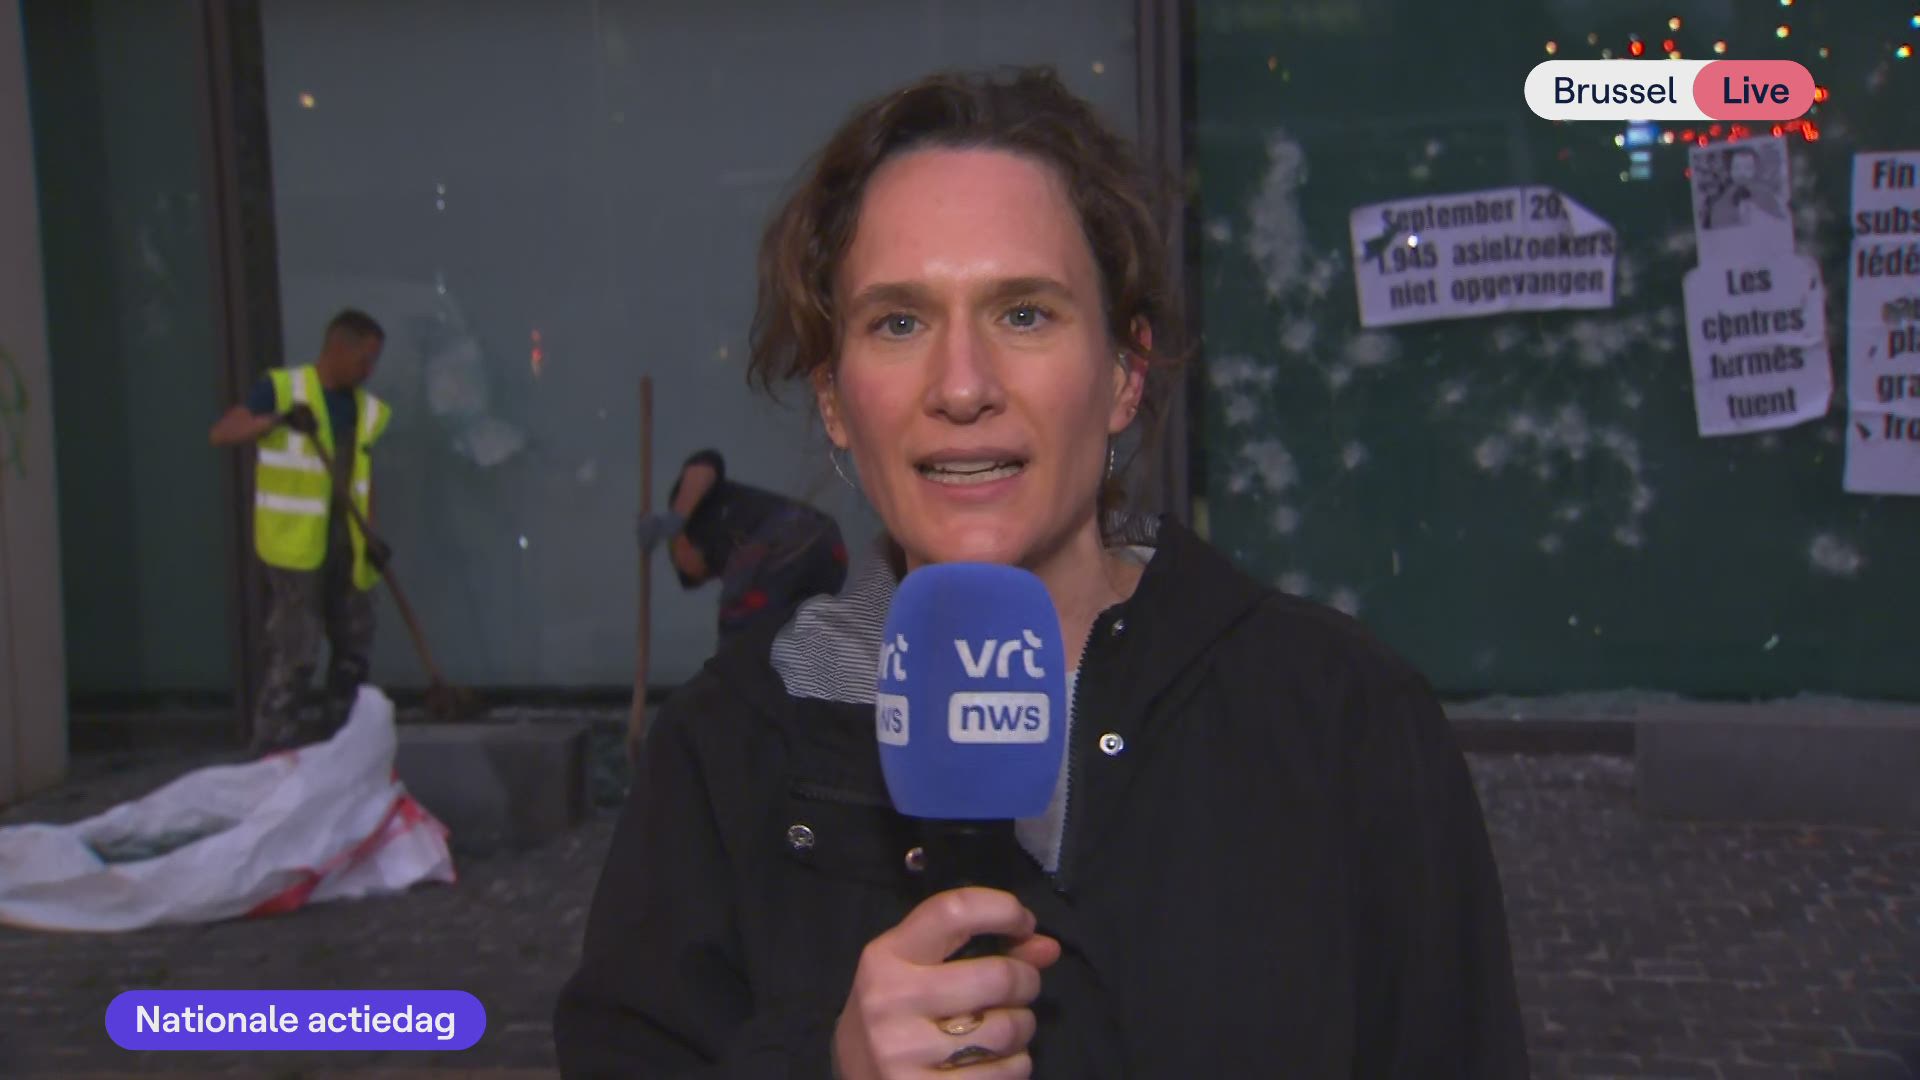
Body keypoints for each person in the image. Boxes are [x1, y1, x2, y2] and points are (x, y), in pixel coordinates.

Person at [555, 68, 1528, 1077]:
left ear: (1123, 374)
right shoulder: (727, 748)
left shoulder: (1340, 717)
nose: (962, 386)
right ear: (835, 400)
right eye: (899, 322)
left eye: (1024, 314)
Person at [209, 309, 393, 752]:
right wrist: (277, 420)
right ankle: (273, 748)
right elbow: (224, 432)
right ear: (338, 348)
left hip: (347, 544)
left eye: (374, 362)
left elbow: (364, 477)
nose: (368, 371)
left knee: (354, 643)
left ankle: (342, 742)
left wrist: (371, 535)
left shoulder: (366, 410)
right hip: (295, 545)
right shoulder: (281, 389)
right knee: (296, 647)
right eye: (364, 360)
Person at [636, 449, 849, 648]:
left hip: (786, 536)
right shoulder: (727, 559)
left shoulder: (693, 505)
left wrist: (675, 520)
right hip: (826, 545)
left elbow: (704, 465)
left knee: (736, 618)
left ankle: (732, 672)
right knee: (794, 635)